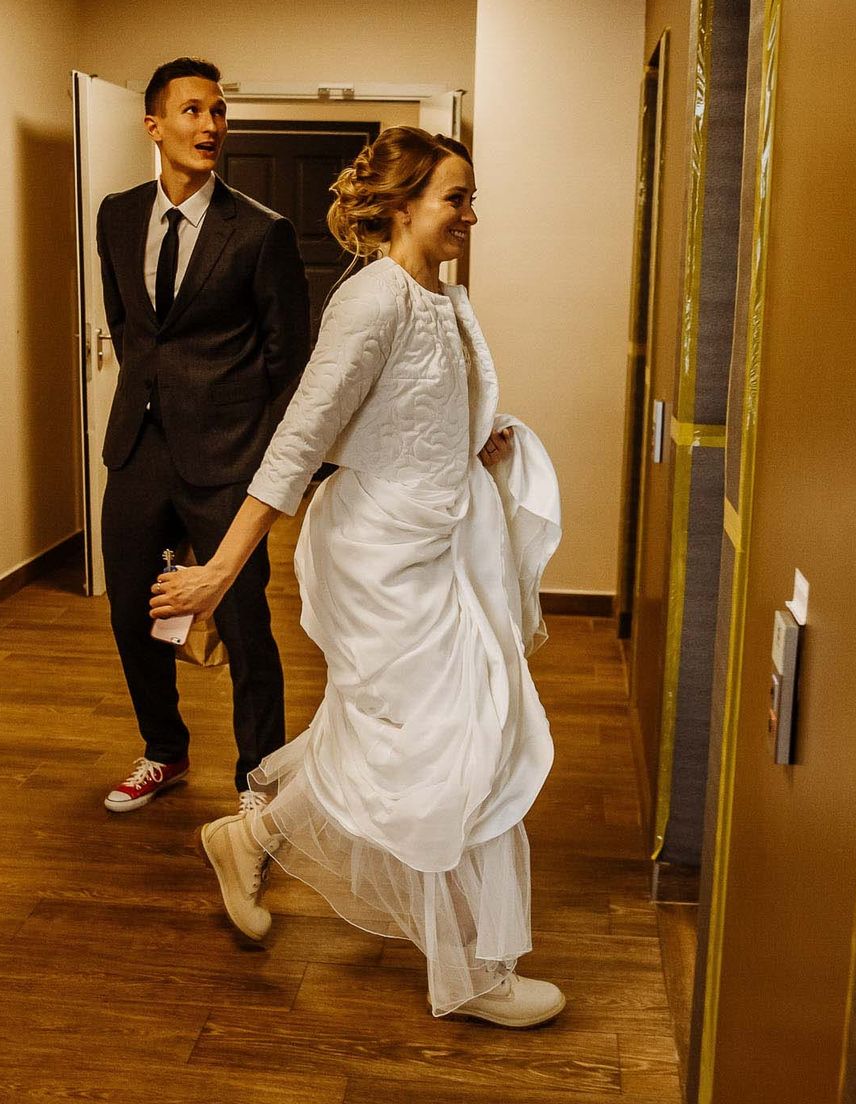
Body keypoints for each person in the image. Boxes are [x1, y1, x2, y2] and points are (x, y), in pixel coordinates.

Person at [149, 127, 567, 1028]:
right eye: (456, 197)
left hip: (443, 543)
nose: (470, 213)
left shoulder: (444, 299)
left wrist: (475, 444)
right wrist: (221, 572)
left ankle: (248, 835)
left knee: (406, 738)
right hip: (384, 562)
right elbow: (299, 441)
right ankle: (477, 973)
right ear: (404, 203)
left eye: (470, 197)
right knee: (454, 743)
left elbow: (404, 420)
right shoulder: (373, 301)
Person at [94, 57, 310, 815]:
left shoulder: (260, 232)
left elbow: (290, 367)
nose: (210, 125)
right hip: (138, 451)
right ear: (153, 125)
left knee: (246, 621)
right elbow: (130, 330)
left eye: (218, 112)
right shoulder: (116, 215)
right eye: (192, 111)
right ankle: (164, 750)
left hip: (228, 461)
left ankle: (259, 780)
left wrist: (261, 469)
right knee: (134, 610)